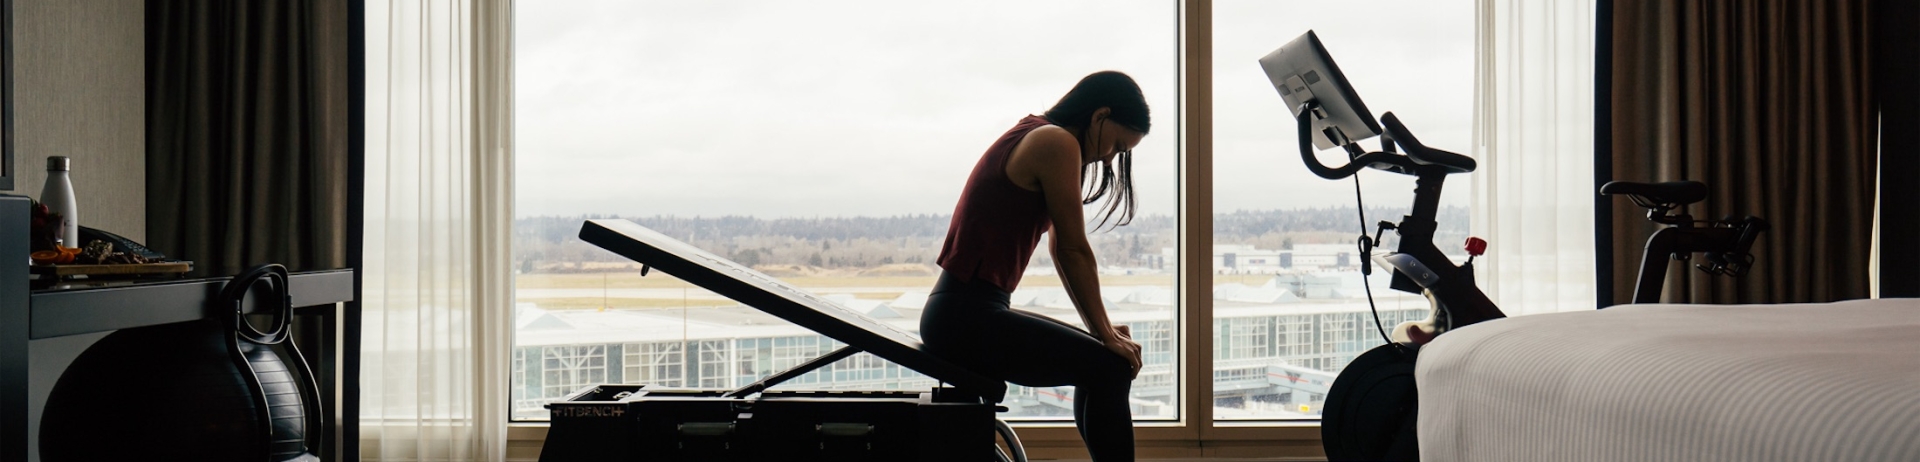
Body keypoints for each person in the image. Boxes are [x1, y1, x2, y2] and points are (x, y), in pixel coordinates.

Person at [919, 70, 1150, 462]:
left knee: (1105, 362)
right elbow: (1073, 250)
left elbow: (1062, 245)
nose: (1111, 157)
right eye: (1116, 144)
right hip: (965, 317)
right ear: (1100, 115)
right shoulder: (1055, 141)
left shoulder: (1042, 134)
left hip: (962, 312)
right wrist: (1105, 333)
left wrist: (1104, 331)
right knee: (1109, 368)